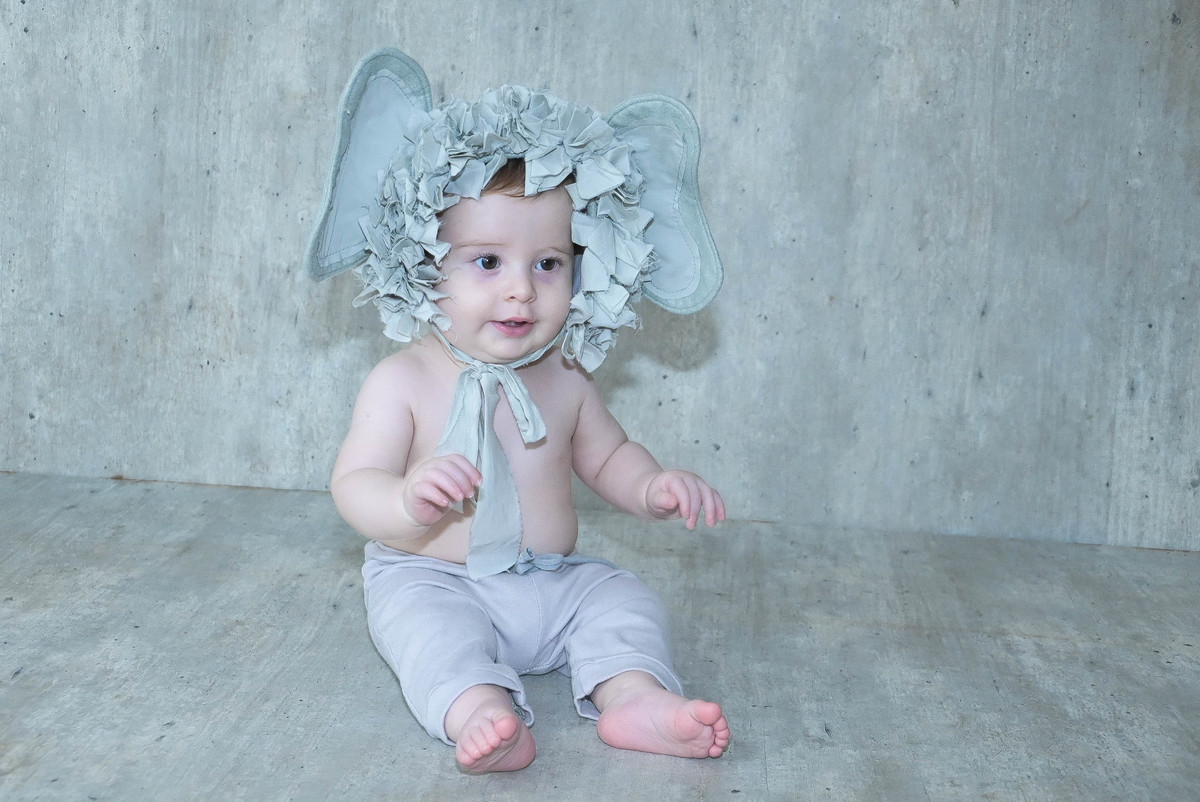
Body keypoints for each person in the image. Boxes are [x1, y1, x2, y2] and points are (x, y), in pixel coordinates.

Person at [306, 49, 728, 774]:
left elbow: (608, 455)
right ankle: (481, 711)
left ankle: (633, 696)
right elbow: (354, 483)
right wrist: (406, 500)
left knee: (623, 599)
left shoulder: (564, 375)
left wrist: (652, 486)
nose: (521, 293)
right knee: (430, 636)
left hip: (550, 580)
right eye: (486, 262)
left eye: (548, 264)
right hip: (436, 575)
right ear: (420, 260)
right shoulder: (402, 379)